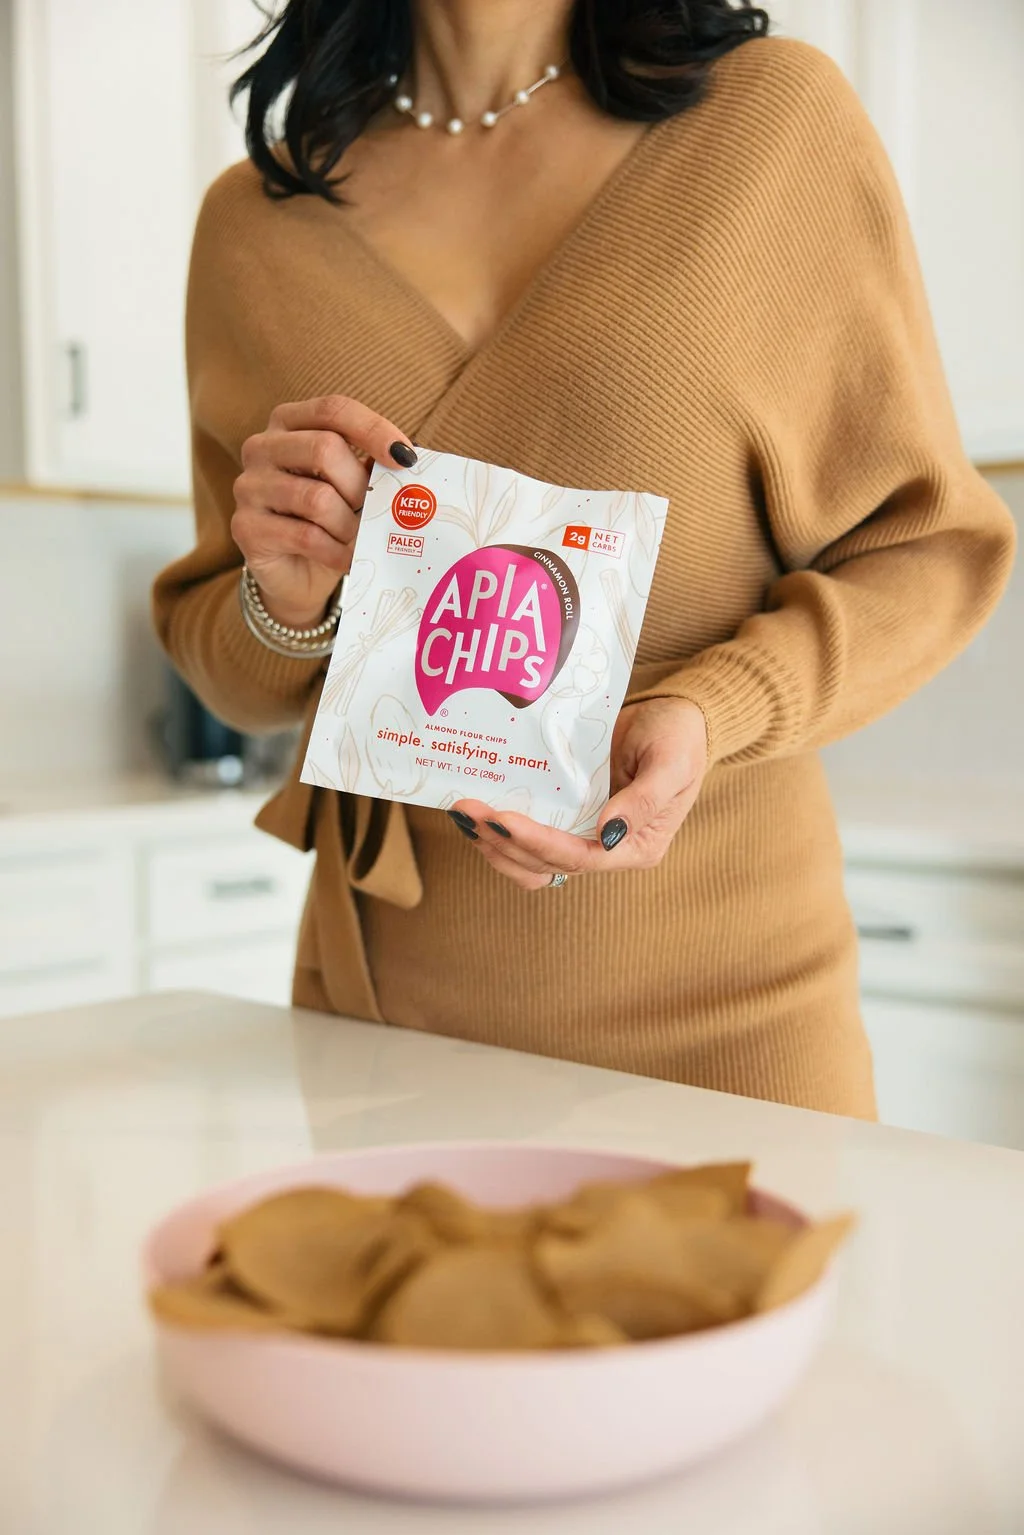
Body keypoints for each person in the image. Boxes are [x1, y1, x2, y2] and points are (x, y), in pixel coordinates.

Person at [153, 0, 1015, 1118]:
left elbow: (927, 546)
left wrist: (716, 706)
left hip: (732, 1018)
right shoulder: (255, 223)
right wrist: (289, 596)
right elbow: (233, 667)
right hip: (387, 1026)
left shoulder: (770, 126)